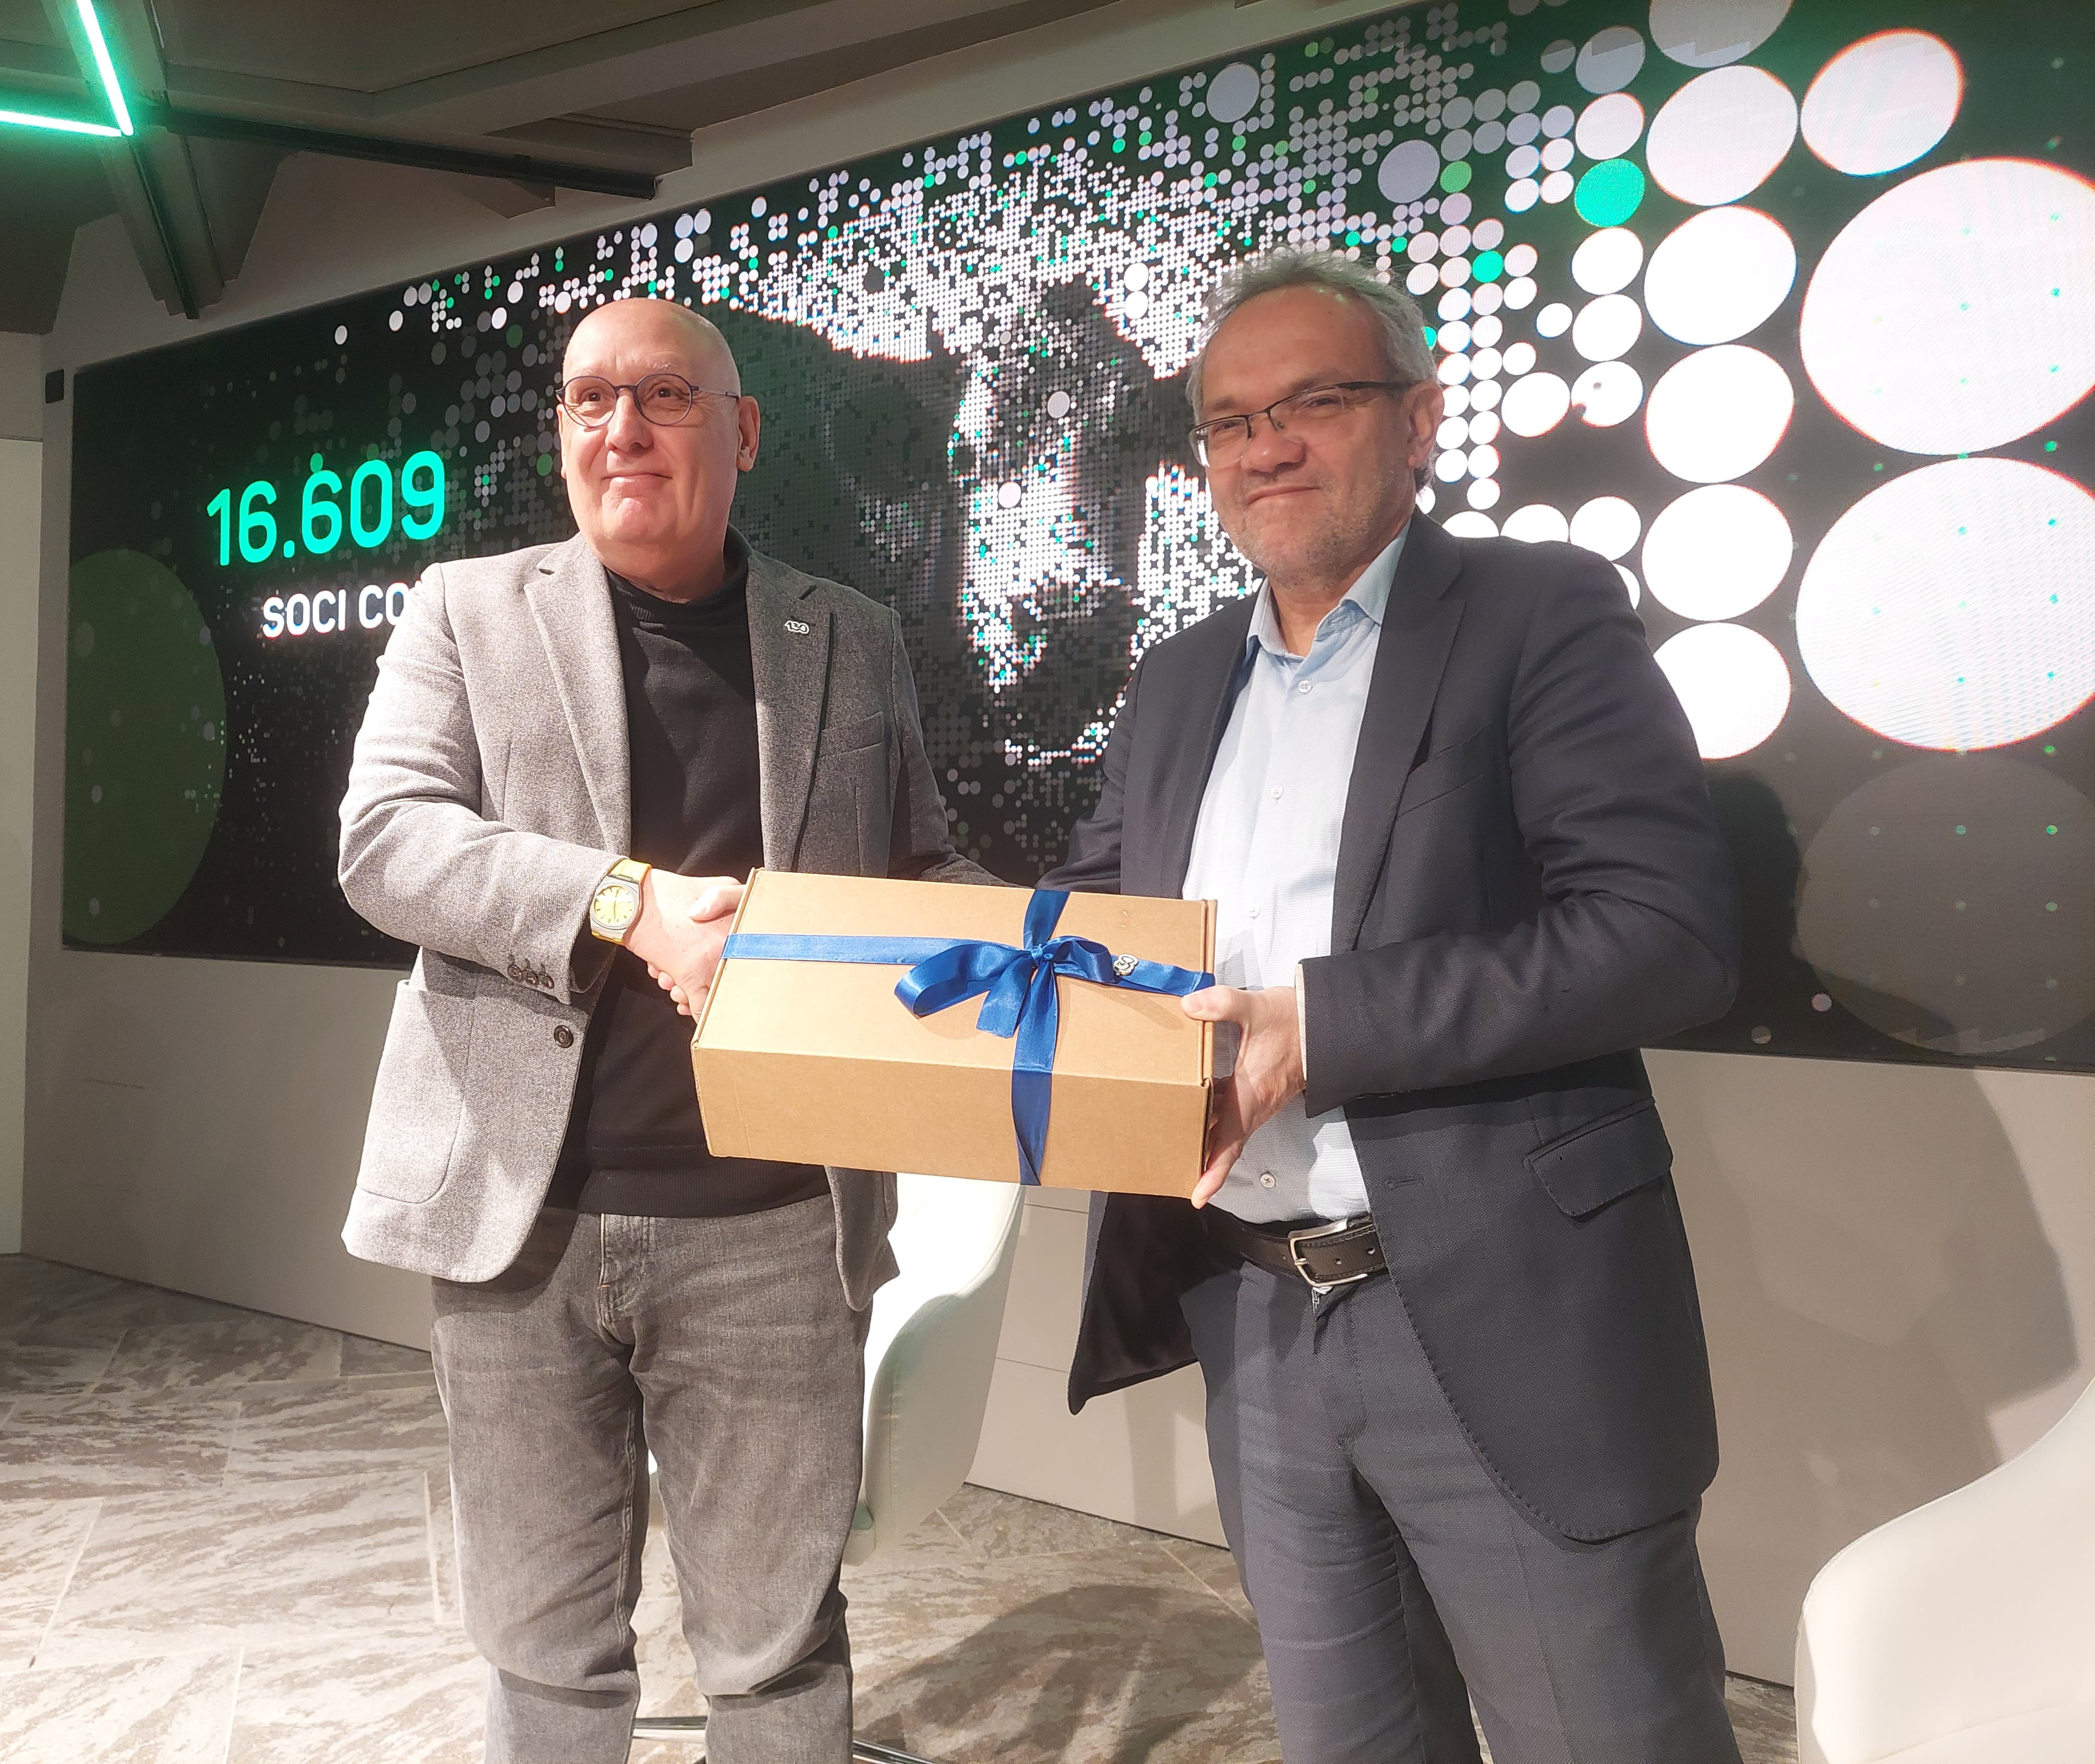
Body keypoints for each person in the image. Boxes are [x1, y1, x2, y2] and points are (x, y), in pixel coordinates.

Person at [1044, 248, 1746, 1763]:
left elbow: (1662, 932)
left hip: (1497, 1308)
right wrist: (860, 959)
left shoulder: (1535, 614)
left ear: (1420, 420)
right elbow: (1088, 927)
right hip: (1251, 1307)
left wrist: (1322, 1024)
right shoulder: (1177, 682)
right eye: (1230, 423)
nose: (1265, 447)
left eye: (1314, 402)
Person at [337, 295, 985, 1764]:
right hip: (525, 1221)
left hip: (775, 1225)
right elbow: (386, 841)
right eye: (591, 400)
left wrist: (1052, 948)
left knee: (776, 1655)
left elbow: (916, 869)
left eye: (665, 397)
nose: (622, 428)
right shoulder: (466, 608)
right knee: (544, 1655)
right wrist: (627, 903)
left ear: (742, 432)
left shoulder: (851, 632)